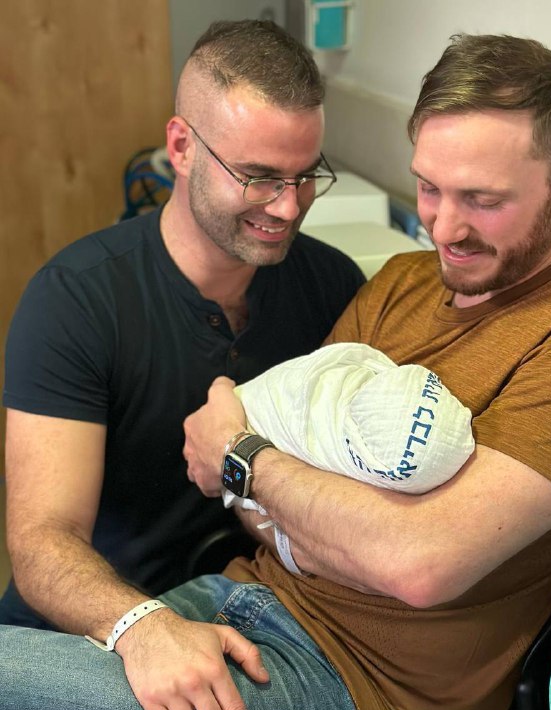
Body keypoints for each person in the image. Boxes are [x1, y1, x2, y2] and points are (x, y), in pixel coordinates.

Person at [1, 32, 551, 710]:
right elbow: (257, 518)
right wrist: (351, 526)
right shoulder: (403, 284)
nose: (443, 228)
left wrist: (245, 457)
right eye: (428, 188)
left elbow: (416, 567)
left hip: (354, 700)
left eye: (483, 200)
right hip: (230, 604)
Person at [0, 20, 364, 631]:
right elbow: (42, 544)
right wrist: (145, 628)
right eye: (258, 177)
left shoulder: (334, 286)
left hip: (245, 611)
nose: (287, 206)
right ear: (182, 147)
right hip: (94, 622)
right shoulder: (76, 299)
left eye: (305, 176)